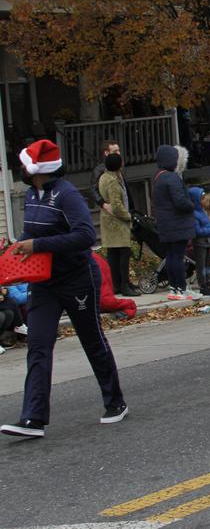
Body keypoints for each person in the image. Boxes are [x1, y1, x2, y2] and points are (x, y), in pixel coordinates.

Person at [1, 140, 128, 438]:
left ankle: (116, 401)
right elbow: (32, 233)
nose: (20, 169)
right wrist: (19, 244)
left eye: (23, 164)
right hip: (44, 283)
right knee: (38, 345)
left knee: (92, 340)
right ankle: (33, 418)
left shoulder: (67, 195)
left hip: (77, 279)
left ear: (36, 169)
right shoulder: (32, 194)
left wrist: (38, 244)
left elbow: (85, 235)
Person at [152, 144, 195, 300]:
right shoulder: (172, 177)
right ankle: (181, 288)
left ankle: (174, 288)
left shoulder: (157, 177)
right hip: (178, 224)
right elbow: (180, 202)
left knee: (170, 256)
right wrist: (192, 205)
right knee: (178, 256)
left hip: (165, 224)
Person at [98, 152, 138, 296]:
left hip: (108, 221)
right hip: (117, 222)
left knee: (113, 254)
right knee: (123, 254)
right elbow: (116, 205)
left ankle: (116, 285)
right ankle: (124, 284)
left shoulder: (104, 176)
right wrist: (128, 217)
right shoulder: (113, 181)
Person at [189, 185, 210, 297]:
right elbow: (197, 231)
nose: (204, 201)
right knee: (201, 265)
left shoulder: (202, 212)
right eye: (201, 199)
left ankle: (209, 283)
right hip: (200, 243)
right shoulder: (194, 214)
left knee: (207, 264)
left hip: (207, 242)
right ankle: (203, 285)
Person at [89, 138, 120, 209]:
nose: (118, 153)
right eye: (115, 151)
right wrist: (103, 204)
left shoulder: (119, 166)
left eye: (118, 150)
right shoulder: (99, 169)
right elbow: (93, 189)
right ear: (106, 153)